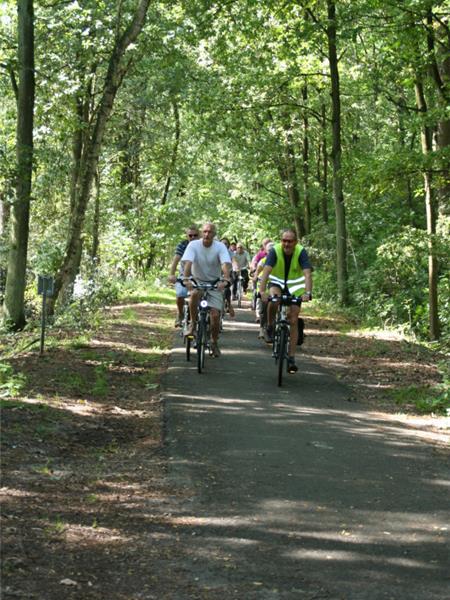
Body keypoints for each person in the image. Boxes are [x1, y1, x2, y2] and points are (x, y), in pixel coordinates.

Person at [259, 228, 312, 374]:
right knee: (274, 300)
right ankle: (269, 326)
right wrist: (262, 291)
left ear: (295, 242)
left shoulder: (301, 252)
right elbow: (266, 272)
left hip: (295, 288)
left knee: (293, 319)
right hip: (277, 284)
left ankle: (291, 357)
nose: (286, 244)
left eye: (290, 241)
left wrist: (307, 293)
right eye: (284, 240)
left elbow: (307, 274)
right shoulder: (275, 251)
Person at [182, 223, 232, 357]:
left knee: (215, 315)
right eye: (204, 232)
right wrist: (186, 279)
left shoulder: (220, 247)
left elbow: (224, 264)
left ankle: (214, 342)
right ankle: (192, 324)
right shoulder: (193, 245)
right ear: (201, 233)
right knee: (194, 295)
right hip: (197, 280)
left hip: (214, 283)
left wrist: (225, 279)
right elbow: (188, 263)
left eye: (210, 232)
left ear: (214, 234)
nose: (206, 234)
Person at [167, 225, 199, 326]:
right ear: (187, 236)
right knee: (180, 295)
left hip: (199, 276)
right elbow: (176, 260)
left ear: (199, 235)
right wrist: (171, 274)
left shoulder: (202, 245)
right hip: (184, 275)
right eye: (190, 235)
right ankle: (180, 314)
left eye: (195, 235)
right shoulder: (183, 245)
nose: (193, 237)